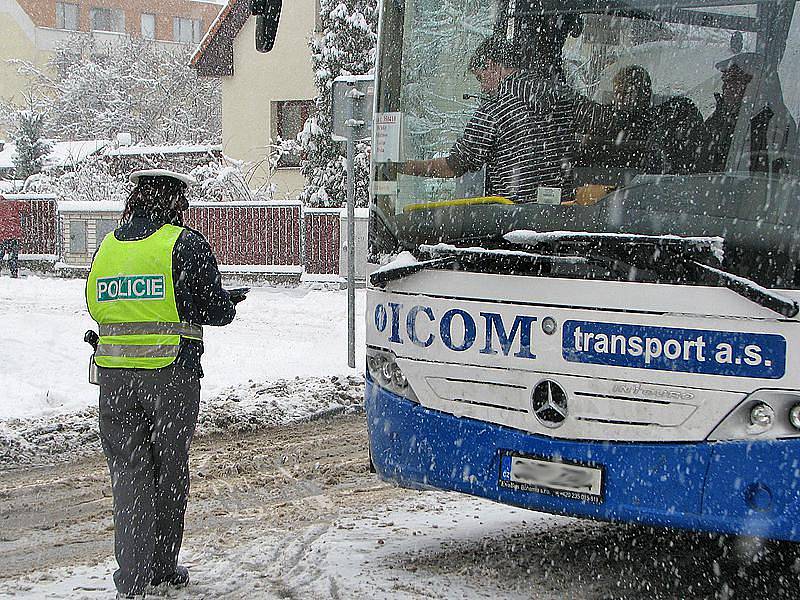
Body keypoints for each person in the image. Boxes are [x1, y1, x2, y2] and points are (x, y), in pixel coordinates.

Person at [85, 170, 244, 600]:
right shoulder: (184, 243)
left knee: (129, 473)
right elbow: (214, 310)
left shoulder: (108, 247)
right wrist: (228, 301)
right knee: (168, 472)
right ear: (175, 203)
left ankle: (132, 579)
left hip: (114, 378)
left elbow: (94, 303)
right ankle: (160, 568)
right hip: (171, 374)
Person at [397, 35, 578, 203]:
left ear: (491, 65)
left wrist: (402, 168)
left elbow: (454, 165)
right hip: (563, 217)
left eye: (480, 78)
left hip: (518, 220)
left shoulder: (495, 108)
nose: (482, 88)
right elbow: (598, 120)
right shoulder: (555, 93)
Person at [702, 52, 797, 173]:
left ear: (757, 83)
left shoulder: (778, 124)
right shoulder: (722, 117)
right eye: (725, 81)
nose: (726, 87)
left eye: (734, 81)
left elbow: (775, 180)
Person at [0, 195, 22, 278]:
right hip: (14, 235)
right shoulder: (11, 204)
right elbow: (24, 207)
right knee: (13, 256)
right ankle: (14, 272)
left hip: (1, 236)